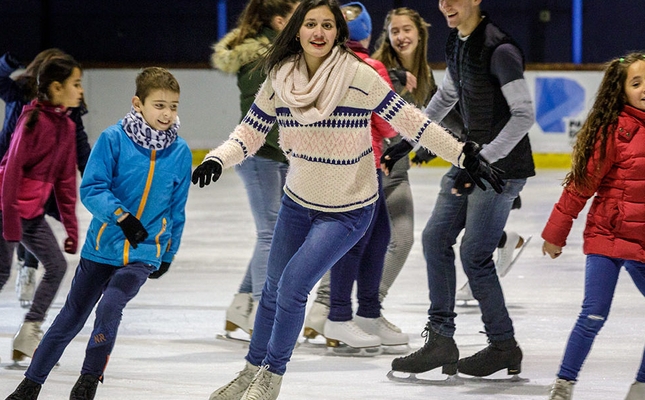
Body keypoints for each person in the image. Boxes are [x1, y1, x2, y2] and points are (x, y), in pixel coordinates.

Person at [191, 0, 502, 398]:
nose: (318, 32)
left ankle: (270, 380)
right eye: (310, 24)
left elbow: (411, 121)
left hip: (348, 211)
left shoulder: (358, 76)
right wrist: (219, 158)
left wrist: (463, 153)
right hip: (298, 203)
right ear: (298, 31)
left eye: (327, 25)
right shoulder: (280, 79)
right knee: (271, 289)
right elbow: (249, 133)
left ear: (338, 32)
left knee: (291, 288)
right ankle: (249, 372)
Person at [5, 67, 192, 400]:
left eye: (173, 106)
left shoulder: (179, 153)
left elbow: (177, 211)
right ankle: (30, 384)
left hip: (143, 251)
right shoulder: (112, 139)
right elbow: (92, 188)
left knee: (110, 306)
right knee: (71, 317)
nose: (167, 113)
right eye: (159, 105)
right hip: (101, 246)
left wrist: (168, 252)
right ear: (138, 103)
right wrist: (121, 216)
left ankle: (88, 381)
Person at [385, 0, 535, 379]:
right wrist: (410, 139)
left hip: (500, 169)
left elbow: (523, 114)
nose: (446, 5)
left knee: (475, 255)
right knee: (436, 239)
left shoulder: (500, 50)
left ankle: (503, 345)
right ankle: (441, 340)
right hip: (468, 159)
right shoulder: (457, 42)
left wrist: (484, 160)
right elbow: (446, 97)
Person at [302, 1, 408, 355]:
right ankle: (340, 314)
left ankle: (366, 314)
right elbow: (385, 118)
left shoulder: (325, 64)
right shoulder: (370, 66)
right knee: (362, 241)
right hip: (365, 164)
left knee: (377, 236)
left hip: (344, 165)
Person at [542, 52, 645, 400]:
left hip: (642, 240)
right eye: (636, 83)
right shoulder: (614, 130)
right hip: (608, 234)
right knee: (594, 313)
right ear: (621, 91)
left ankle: (641, 386)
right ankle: (563, 384)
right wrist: (555, 233)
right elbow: (580, 186)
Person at [210, 0, 299, 339]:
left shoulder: (276, 53)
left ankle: (240, 306)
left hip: (272, 156)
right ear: (279, 21)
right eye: (295, 16)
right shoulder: (261, 58)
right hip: (260, 155)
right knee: (270, 233)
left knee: (274, 233)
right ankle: (265, 310)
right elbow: (265, 114)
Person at [0, 55, 83, 370]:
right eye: (75, 84)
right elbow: (10, 174)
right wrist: (9, 221)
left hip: (31, 215)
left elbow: (65, 183)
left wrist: (71, 229)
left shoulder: (67, 126)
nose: (80, 91)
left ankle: (29, 334)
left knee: (57, 266)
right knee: (1, 273)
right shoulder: (31, 120)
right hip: (4, 208)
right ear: (56, 87)